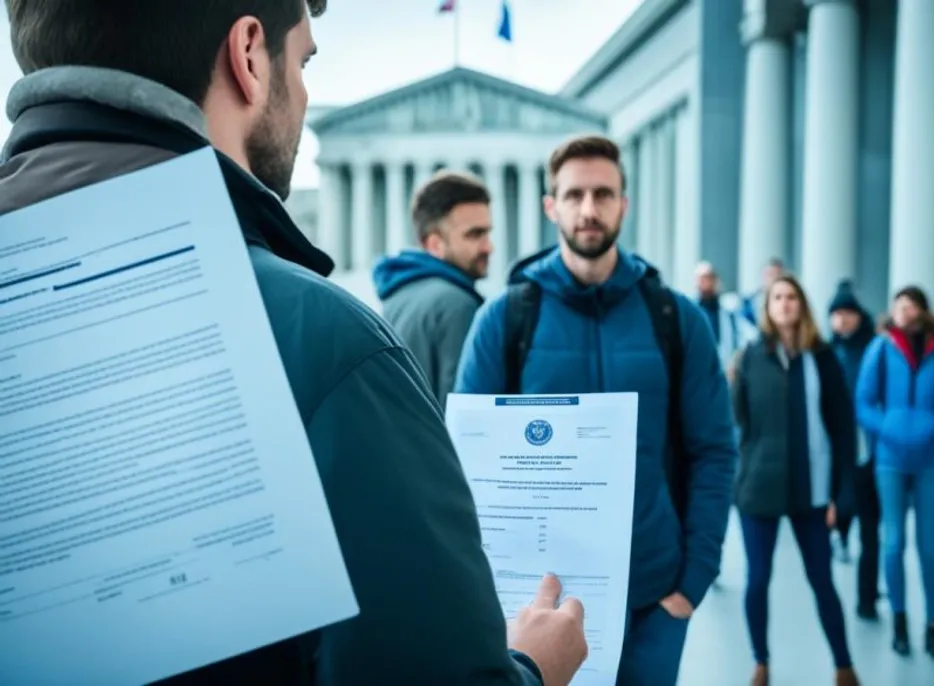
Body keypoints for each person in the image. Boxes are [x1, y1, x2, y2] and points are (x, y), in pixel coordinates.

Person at [0, 2, 587, 684]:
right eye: (303, 61)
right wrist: (532, 669)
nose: (306, 95)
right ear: (249, 55)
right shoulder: (331, 348)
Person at [455, 134, 737, 685]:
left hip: (653, 599)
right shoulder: (504, 319)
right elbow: (463, 463)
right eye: (575, 194)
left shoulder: (675, 317)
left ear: (623, 204)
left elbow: (715, 451)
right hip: (534, 608)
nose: (589, 209)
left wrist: (692, 583)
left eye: (603, 194)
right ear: (550, 205)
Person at [729, 274, 861, 686]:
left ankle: (843, 664)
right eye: (777, 297)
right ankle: (761, 661)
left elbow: (842, 429)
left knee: (822, 580)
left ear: (802, 305)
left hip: (814, 490)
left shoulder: (822, 358)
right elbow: (740, 424)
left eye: (792, 297)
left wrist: (843, 492)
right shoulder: (749, 357)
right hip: (759, 488)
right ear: (768, 308)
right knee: (758, 580)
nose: (785, 304)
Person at [855, 285, 934, 660]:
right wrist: (887, 427)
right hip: (890, 459)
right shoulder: (881, 349)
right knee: (894, 542)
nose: (904, 310)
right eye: (898, 305)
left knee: (929, 548)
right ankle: (899, 620)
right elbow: (863, 401)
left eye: (910, 304)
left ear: (922, 309)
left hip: (931, 458)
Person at [373, 170, 492, 408]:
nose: (489, 246)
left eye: (488, 233)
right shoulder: (457, 304)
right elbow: (464, 414)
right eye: (475, 235)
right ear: (434, 244)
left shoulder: (398, 295)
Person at [826, 279, 881, 619]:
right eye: (837, 314)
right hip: (836, 452)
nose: (842, 321)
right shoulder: (826, 352)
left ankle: (867, 596)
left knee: (872, 529)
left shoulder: (874, 349)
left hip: (870, 450)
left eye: (848, 314)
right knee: (842, 509)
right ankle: (841, 538)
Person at [694, 260, 757, 372]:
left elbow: (749, 335)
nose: (705, 283)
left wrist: (737, 358)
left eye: (709, 278)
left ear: (716, 280)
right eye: (702, 279)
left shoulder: (730, 310)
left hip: (726, 367)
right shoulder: (691, 311)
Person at [740, 258, 786, 327]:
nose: (773, 278)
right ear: (763, 276)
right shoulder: (747, 302)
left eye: (777, 275)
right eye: (770, 274)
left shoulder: (788, 301)